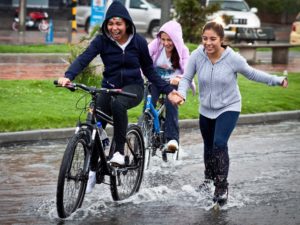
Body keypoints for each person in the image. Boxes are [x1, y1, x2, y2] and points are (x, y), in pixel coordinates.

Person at [57, 1, 175, 193]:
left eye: (118, 23)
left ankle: (119, 152)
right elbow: (84, 58)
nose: (114, 28)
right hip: (109, 87)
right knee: (96, 125)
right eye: (110, 24)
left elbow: (149, 71)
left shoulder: (138, 42)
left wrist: (169, 90)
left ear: (127, 23)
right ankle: (94, 171)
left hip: (132, 88)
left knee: (119, 105)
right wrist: (68, 76)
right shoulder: (102, 40)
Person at [169, 21, 288, 204]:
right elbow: (186, 78)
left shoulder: (233, 58)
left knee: (219, 143)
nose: (208, 43)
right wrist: (181, 94)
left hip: (229, 107)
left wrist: (276, 80)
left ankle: (221, 186)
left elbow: (253, 74)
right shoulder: (197, 56)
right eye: (204, 39)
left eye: (213, 39)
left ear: (222, 40)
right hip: (206, 110)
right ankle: (208, 180)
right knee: (209, 147)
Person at [147, 20, 196, 152]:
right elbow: (144, 57)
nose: (166, 43)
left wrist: (179, 78)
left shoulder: (183, 50)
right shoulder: (156, 45)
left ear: (176, 39)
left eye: (169, 40)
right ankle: (146, 132)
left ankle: (172, 139)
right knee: (149, 103)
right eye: (163, 39)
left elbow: (187, 70)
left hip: (173, 82)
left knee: (171, 103)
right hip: (157, 80)